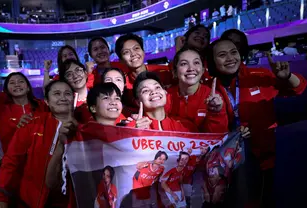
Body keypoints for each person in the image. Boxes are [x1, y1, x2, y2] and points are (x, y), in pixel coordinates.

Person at [207, 38, 307, 207]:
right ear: (212, 61)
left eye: (233, 52)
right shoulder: (209, 88)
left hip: (267, 159)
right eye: (222, 55)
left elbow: (299, 89)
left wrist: (288, 77)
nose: (230, 58)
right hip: (228, 165)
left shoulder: (260, 75)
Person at [0, 80, 77, 208]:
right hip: (33, 201)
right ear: (47, 101)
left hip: (71, 201)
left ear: (73, 98)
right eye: (57, 93)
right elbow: (11, 161)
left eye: (67, 93)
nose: (63, 98)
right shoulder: (31, 125)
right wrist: (1, 197)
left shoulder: (84, 129)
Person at [166, 48, 228, 133]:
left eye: (196, 63)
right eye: (184, 64)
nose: (191, 68)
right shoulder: (165, 97)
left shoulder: (214, 98)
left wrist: (216, 113)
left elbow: (218, 135)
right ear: (175, 72)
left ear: (203, 70)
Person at [129, 71, 198, 131]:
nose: (154, 92)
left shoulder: (186, 126)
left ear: (165, 92)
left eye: (157, 87)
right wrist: (136, 134)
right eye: (145, 90)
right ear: (138, 102)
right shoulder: (132, 127)